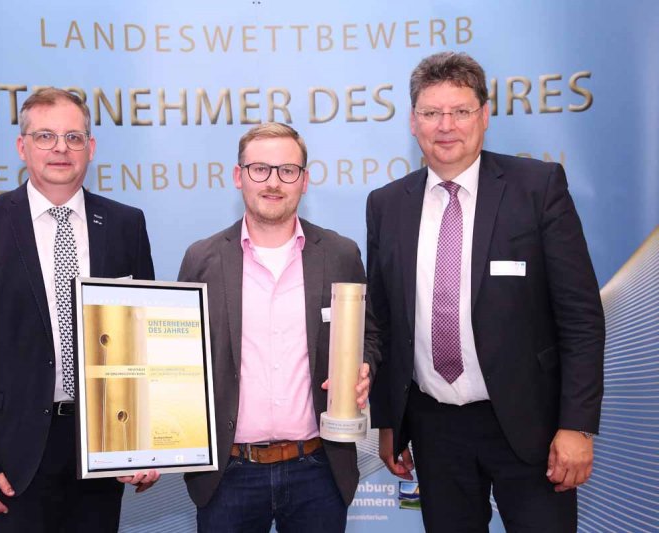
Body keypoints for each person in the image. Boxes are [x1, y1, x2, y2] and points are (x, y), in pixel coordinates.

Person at [366, 51, 605, 532]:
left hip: (531, 427)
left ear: (485, 115)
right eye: (431, 113)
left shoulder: (537, 188)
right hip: (435, 429)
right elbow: (384, 321)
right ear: (413, 122)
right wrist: (388, 422)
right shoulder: (387, 204)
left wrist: (577, 425)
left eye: (460, 111)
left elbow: (580, 317)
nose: (445, 126)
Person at [0, 87, 159, 532]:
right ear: (22, 147)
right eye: (45, 136)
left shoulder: (126, 224)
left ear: (91, 148)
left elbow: (145, 344)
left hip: (104, 445)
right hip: (14, 454)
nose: (61, 148)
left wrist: (147, 443)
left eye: (73, 137)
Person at [178, 123, 381, 532]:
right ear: (238, 176)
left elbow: (370, 335)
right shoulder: (201, 259)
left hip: (318, 469)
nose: (273, 182)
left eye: (287, 170)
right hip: (229, 474)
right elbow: (179, 361)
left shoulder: (340, 254)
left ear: (304, 180)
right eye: (260, 169)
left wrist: (365, 368)